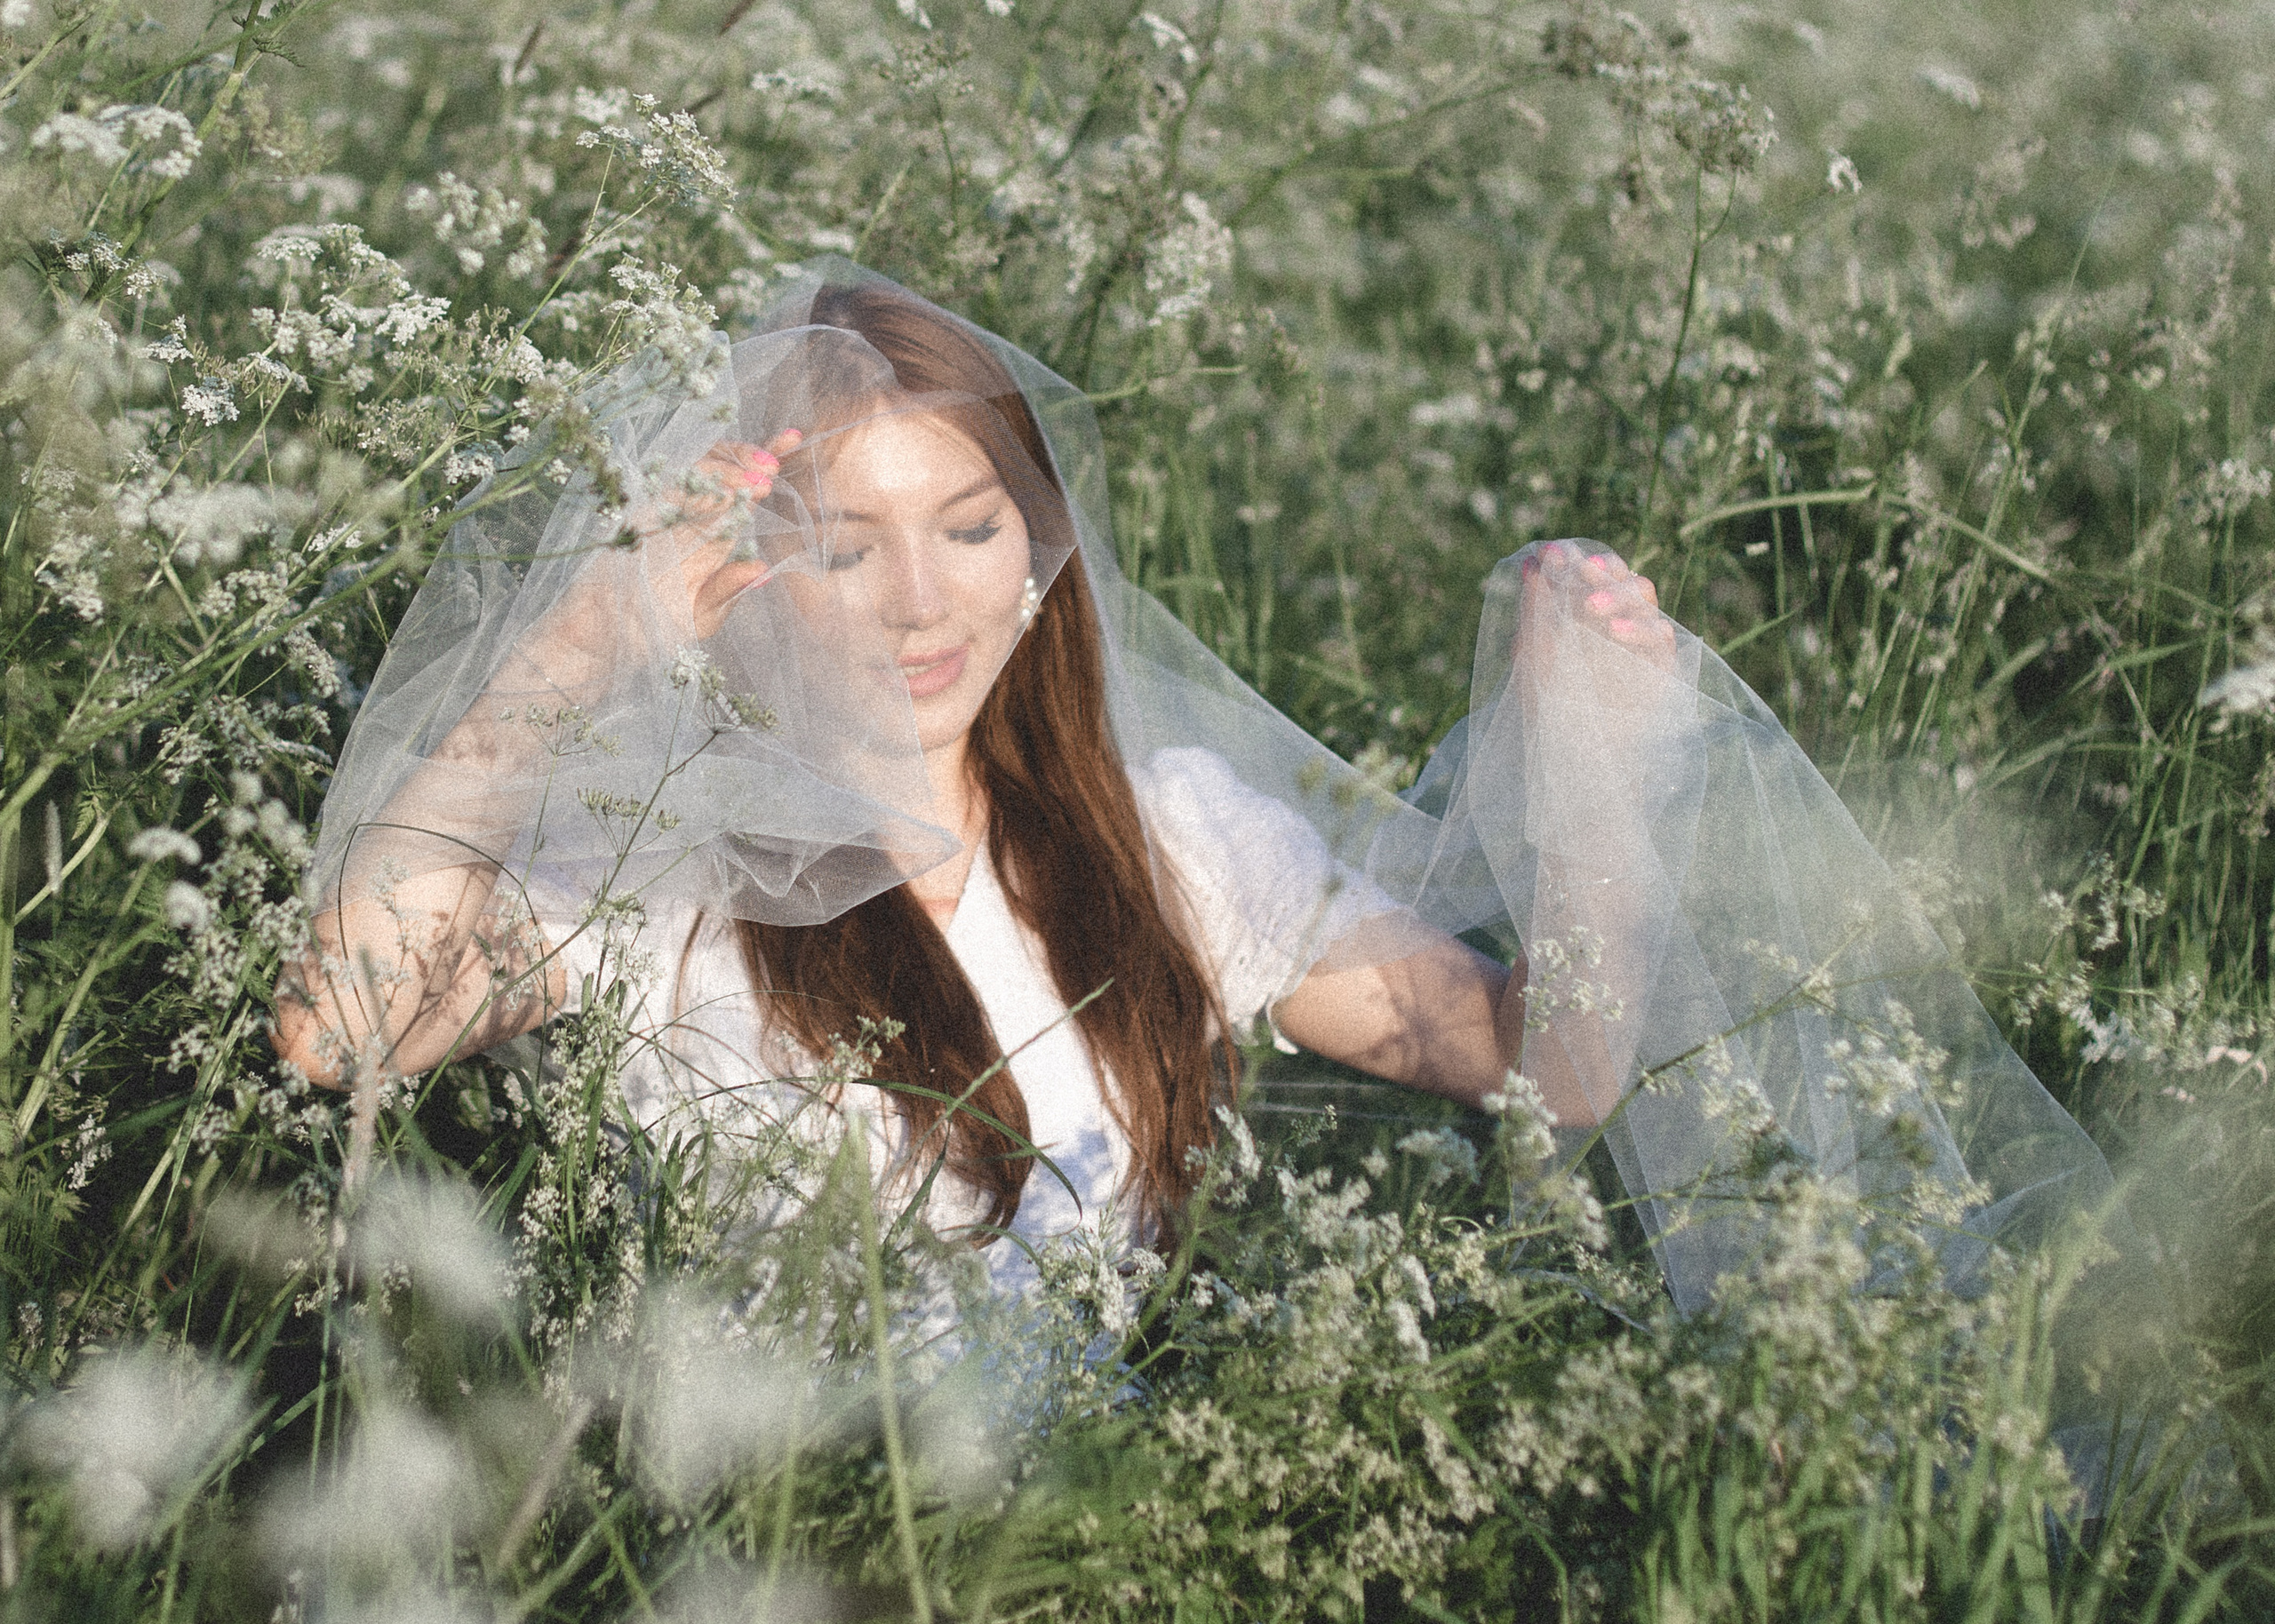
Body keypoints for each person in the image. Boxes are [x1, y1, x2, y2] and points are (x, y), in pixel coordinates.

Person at [275, 265, 2117, 1320]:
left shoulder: (1165, 841)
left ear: (1042, 553)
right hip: (757, 1569)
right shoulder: (656, 878)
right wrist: (571, 652)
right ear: (740, 572)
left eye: (971, 527)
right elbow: (336, 1038)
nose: (923, 602)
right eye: (840, 550)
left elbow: (1541, 1057)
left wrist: (1584, 777)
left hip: (1090, 1561)